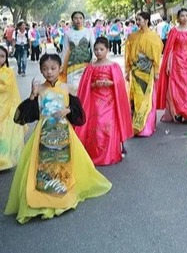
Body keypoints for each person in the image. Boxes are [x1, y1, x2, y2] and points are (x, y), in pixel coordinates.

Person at [4, 54, 111, 224]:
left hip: (63, 133)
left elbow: (79, 113)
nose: (49, 72)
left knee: (62, 164)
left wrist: (68, 110)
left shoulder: (66, 87)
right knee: (43, 166)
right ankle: (42, 200)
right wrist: (32, 96)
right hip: (43, 133)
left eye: (53, 68)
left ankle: (62, 197)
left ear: (60, 68)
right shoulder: (39, 90)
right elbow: (22, 117)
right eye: (45, 69)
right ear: (40, 70)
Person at [76, 37, 133, 165]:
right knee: (96, 125)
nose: (98, 52)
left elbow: (119, 84)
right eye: (96, 49)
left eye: (101, 49)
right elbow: (85, 87)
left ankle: (110, 153)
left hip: (111, 102)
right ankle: (95, 153)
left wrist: (110, 83)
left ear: (107, 50)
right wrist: (95, 84)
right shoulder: (90, 67)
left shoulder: (113, 66)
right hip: (95, 102)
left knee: (109, 125)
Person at [156, 8, 187, 123]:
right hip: (176, 62)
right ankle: (177, 111)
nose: (184, 18)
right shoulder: (174, 31)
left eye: (186, 16)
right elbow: (170, 49)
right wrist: (168, 64)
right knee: (175, 87)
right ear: (178, 18)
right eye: (182, 16)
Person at [125, 12, 163, 137]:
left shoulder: (154, 36)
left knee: (148, 97)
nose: (137, 22)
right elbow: (128, 54)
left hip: (148, 71)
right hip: (136, 71)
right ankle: (137, 124)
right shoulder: (132, 36)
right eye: (136, 20)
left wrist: (156, 71)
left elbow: (157, 56)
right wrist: (127, 70)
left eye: (139, 19)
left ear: (146, 20)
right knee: (138, 97)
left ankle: (147, 126)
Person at [0, 45, 27, 170]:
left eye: (2, 56)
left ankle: (4, 161)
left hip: (7, 107)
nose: (0, 59)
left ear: (6, 58)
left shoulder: (8, 72)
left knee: (5, 134)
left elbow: (6, 88)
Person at [61, 11, 95, 95]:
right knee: (73, 88)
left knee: (86, 88)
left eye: (80, 18)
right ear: (72, 20)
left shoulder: (89, 32)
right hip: (72, 65)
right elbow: (64, 51)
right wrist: (61, 66)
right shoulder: (68, 33)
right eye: (75, 18)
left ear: (83, 19)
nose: (78, 20)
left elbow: (94, 46)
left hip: (86, 64)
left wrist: (94, 60)